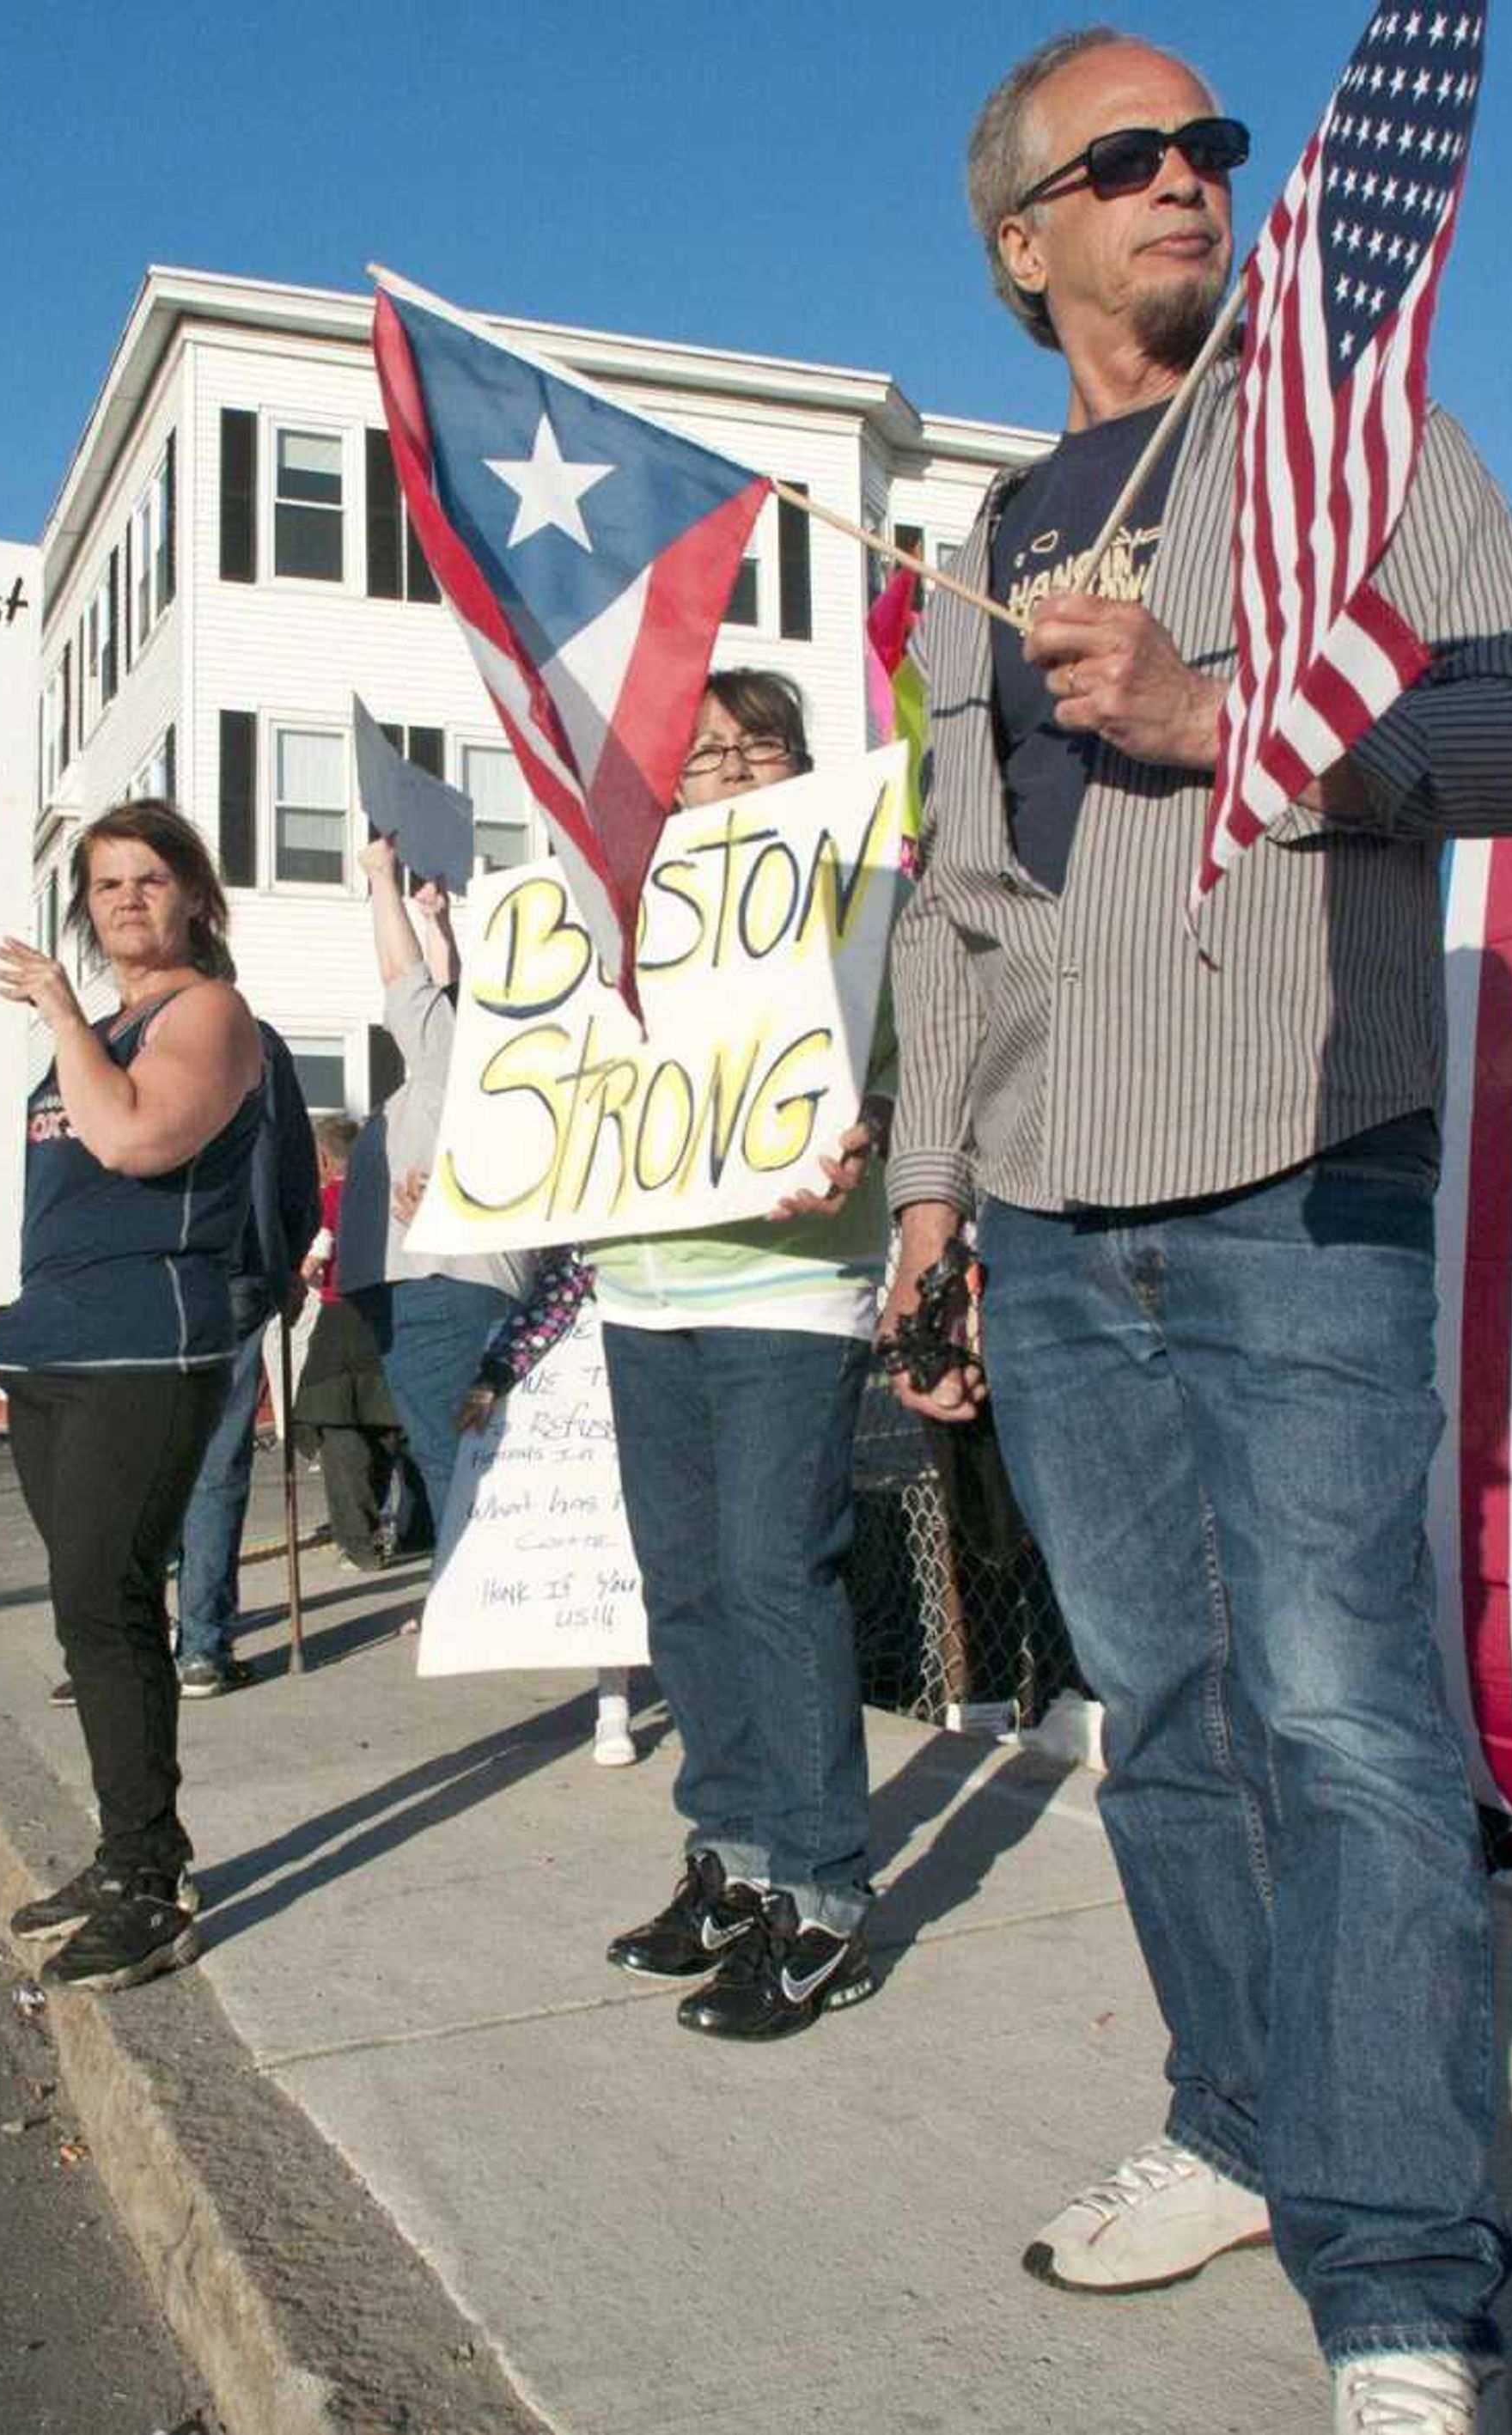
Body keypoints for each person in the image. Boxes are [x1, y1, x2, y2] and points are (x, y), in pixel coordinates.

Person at [884, 34, 1512, 2431]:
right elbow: (960, 912)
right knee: (1165, 1724)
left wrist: (1239, 719)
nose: (1196, 179)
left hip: (1301, 1161)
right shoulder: (970, 547)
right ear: (1028, 242)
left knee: (1351, 1724)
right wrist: (929, 1190)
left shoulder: (1353, 431)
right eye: (1132, 160)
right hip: (1060, 1213)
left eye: (1213, 147)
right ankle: (1238, 2125)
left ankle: (1398, 2281)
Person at [583, 669, 897, 2041]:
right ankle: (735, 1855)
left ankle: (823, 1892)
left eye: (750, 748)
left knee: (778, 1572)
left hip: (787, 1279)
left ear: (798, 769)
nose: (719, 770)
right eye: (697, 752)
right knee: (688, 1583)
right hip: (643, 1282)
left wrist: (871, 1122)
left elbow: (907, 1058)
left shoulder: (854, 897)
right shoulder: (626, 919)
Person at [0, 797, 265, 1996]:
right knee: (85, 1610)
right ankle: (129, 1848)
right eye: (107, 883)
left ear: (195, 899)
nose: (127, 898)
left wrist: (63, 1012)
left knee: (110, 1602)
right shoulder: (96, 1027)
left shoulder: (206, 1015)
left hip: (146, 1350)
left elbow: (133, 1143)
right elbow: (50, 1200)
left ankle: (149, 1882)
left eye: (152, 878)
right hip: (45, 1347)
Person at [353, 834, 535, 1589]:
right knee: (464, 1445)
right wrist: (440, 924)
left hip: (439, 1285)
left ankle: (467, 1597)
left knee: (447, 1449)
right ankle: (477, 1592)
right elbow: (438, 989)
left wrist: (380, 880)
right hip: (451, 1283)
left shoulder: (454, 1059)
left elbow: (406, 983)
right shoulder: (492, 1067)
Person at [165, 1018, 320, 1698]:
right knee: (215, 1456)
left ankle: (128, 1640)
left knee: (139, 1455)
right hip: (233, 1263)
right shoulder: (255, 1039)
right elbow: (292, 1165)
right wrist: (286, 1257)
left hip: (146, 1269)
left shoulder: (123, 1029)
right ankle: (200, 1643)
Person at [448, 1249, 639, 1766]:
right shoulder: (590, 1238)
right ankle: (612, 1704)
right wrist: (496, 1375)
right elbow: (556, 1298)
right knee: (608, 1550)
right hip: (597, 1403)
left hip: (679, 1385)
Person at [290, 1114, 419, 1569]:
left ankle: (360, 1541)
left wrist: (295, 1278)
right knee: (394, 1424)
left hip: (343, 1316)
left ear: (324, 1160)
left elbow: (315, 1252)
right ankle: (413, 1527)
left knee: (340, 1425)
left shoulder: (327, 1199)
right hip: (397, 1309)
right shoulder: (394, 1194)